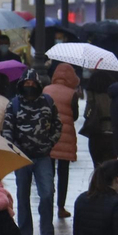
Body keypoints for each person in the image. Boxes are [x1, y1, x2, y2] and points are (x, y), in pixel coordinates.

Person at [1, 72, 62, 235]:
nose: (30, 86)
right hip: (21, 157)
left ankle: (47, 234)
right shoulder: (14, 104)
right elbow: (7, 129)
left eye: (33, 83)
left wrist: (50, 143)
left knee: (47, 193)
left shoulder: (48, 102)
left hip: (43, 156)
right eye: (26, 83)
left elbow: (57, 124)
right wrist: (14, 148)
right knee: (22, 196)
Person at [43, 63, 80, 220]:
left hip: (48, 136)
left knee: (48, 173)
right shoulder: (72, 94)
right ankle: (61, 207)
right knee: (63, 173)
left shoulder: (46, 90)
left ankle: (48, 203)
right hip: (65, 136)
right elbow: (75, 116)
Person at [80, 70, 116, 170]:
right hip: (112, 134)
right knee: (111, 167)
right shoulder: (113, 95)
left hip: (96, 134)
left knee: (98, 166)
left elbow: (86, 114)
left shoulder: (93, 95)